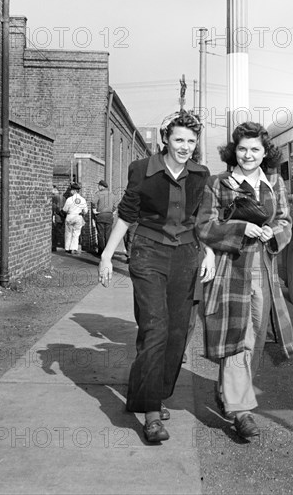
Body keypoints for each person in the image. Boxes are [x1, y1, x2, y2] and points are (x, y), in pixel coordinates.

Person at [98, 110, 214, 444]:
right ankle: (150, 413)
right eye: (179, 140)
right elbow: (126, 214)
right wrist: (107, 255)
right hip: (148, 252)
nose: (185, 147)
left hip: (186, 256)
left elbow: (199, 219)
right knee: (155, 328)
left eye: (191, 141)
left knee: (178, 332)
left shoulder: (200, 174)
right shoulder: (142, 171)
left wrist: (208, 250)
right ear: (165, 139)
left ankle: (145, 393)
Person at [196, 122, 293, 441]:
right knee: (237, 336)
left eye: (255, 149)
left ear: (265, 152)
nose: (248, 155)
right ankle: (241, 411)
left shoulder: (275, 183)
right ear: (233, 151)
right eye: (242, 149)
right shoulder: (218, 183)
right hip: (230, 269)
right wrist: (240, 228)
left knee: (255, 338)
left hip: (263, 268)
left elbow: (285, 221)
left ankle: (228, 391)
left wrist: (273, 233)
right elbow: (204, 226)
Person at [92, 180, 116, 256]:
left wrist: (95, 211)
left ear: (102, 186)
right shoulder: (112, 194)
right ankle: (108, 252)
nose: (98, 187)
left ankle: (101, 251)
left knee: (100, 234)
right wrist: (113, 212)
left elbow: (93, 203)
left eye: (99, 185)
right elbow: (115, 205)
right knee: (108, 234)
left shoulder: (98, 194)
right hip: (109, 216)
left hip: (101, 215)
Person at [62, 182, 88, 255]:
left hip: (70, 216)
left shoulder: (69, 199)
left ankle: (67, 248)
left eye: (71, 190)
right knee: (76, 233)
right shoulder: (83, 200)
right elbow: (85, 211)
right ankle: (74, 248)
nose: (70, 192)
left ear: (74, 191)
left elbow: (65, 209)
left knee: (68, 233)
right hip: (78, 217)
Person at [51, 186, 65, 251]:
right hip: (62, 217)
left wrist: (54, 214)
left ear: (56, 190)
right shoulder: (63, 197)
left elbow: (55, 207)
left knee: (54, 231)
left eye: (53, 189)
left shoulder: (55, 197)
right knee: (59, 231)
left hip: (57, 216)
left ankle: (54, 246)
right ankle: (61, 244)